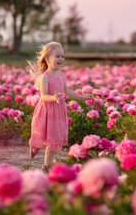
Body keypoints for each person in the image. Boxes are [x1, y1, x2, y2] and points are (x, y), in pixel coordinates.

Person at [27, 41, 92, 170]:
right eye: (57, 56)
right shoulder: (45, 77)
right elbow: (43, 96)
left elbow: (67, 91)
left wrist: (83, 97)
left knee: (52, 140)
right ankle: (35, 146)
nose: (61, 59)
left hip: (58, 111)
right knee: (41, 134)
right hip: (47, 110)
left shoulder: (62, 75)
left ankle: (46, 166)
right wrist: (53, 97)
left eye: (62, 56)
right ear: (47, 58)